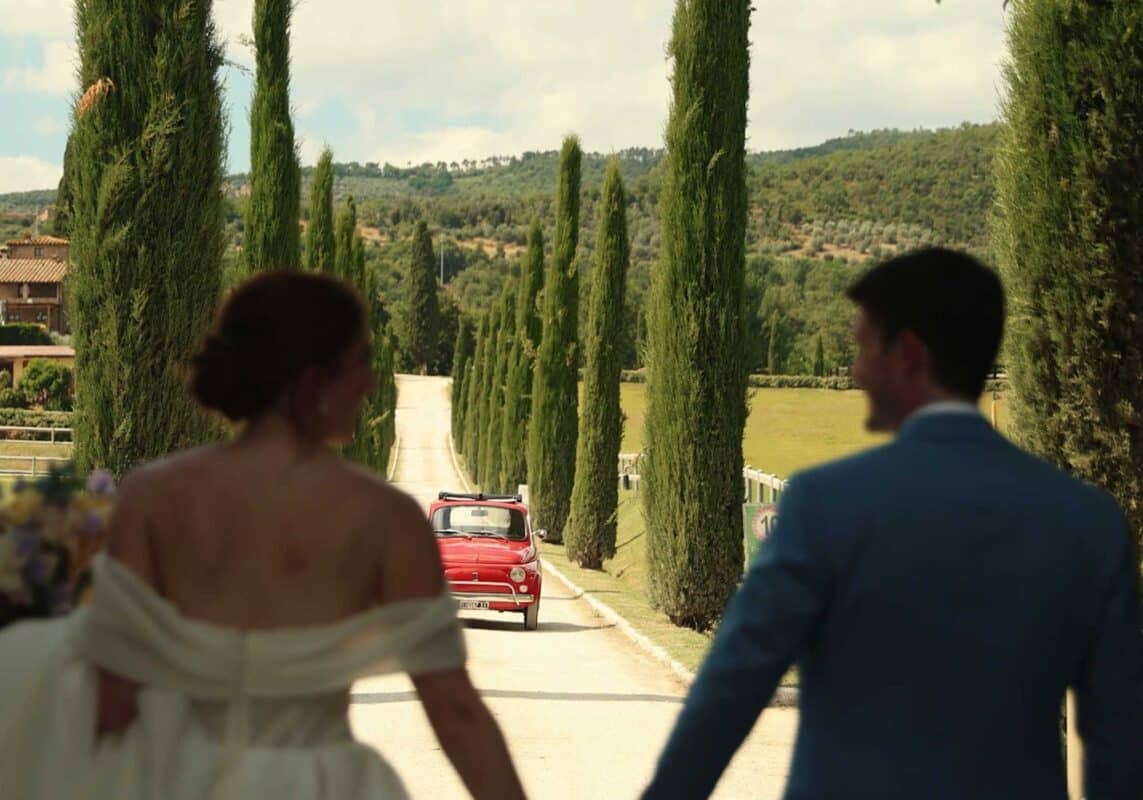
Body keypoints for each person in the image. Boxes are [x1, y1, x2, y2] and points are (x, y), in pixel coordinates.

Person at [0, 272, 527, 800]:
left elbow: (114, 698)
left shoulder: (152, 498)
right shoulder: (386, 518)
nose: (369, 383)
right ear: (311, 379)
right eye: (359, 362)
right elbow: (455, 711)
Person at [643, 248, 1143, 799]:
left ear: (907, 355)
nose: (856, 372)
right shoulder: (1088, 524)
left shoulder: (824, 505)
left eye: (862, 349)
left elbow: (728, 693)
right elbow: (1120, 742)